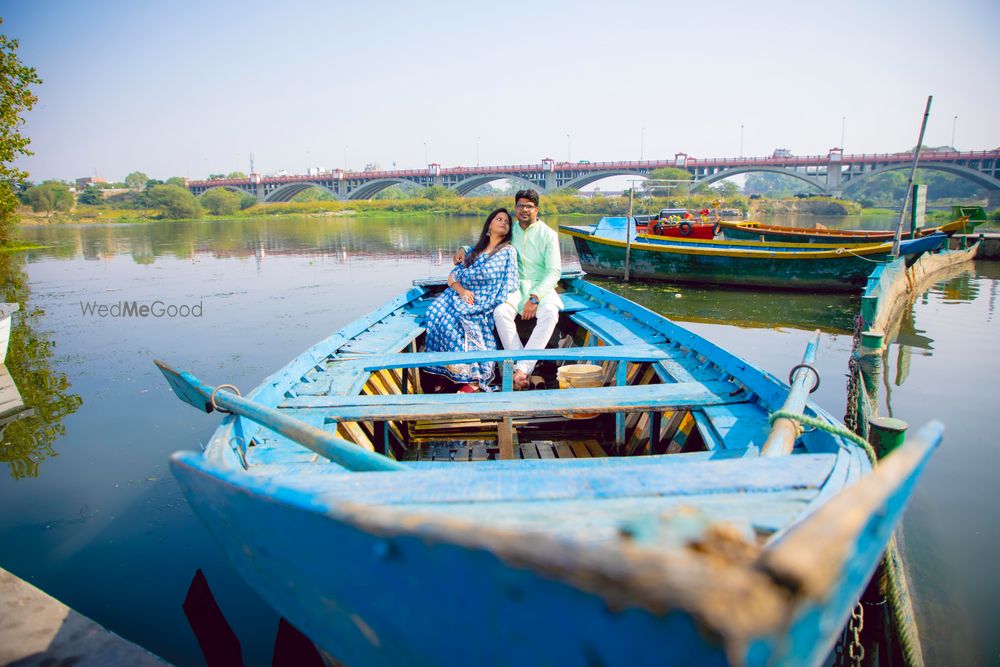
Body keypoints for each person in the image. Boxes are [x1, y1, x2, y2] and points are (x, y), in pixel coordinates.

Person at [457, 189, 562, 390]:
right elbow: (486, 242)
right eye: (521, 205)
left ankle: (521, 369)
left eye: (529, 206)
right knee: (500, 312)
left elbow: (554, 271)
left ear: (536, 209)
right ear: (515, 208)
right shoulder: (510, 230)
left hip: (541, 287)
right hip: (513, 286)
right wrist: (464, 248)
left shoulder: (548, 234)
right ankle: (523, 369)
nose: (524, 210)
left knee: (550, 312)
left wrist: (535, 297)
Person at [424, 208, 519, 392]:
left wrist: (485, 301)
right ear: (489, 225)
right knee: (436, 317)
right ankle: (445, 373)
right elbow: (453, 276)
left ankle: (471, 380)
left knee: (458, 325)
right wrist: (461, 290)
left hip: (483, 300)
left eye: (507, 222)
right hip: (459, 294)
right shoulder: (474, 251)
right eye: (499, 219)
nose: (503, 223)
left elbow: (509, 283)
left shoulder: (507, 252)